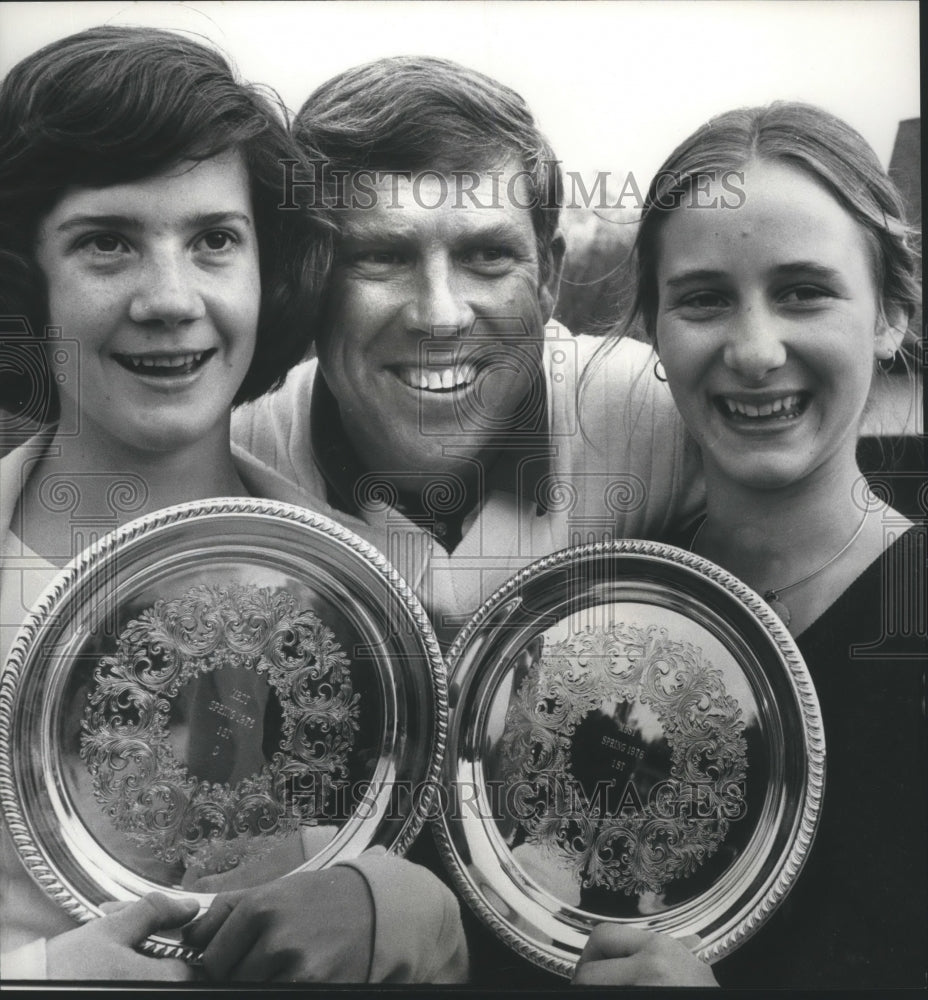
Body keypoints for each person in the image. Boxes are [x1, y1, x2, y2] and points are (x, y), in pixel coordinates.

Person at [0, 26, 466, 984]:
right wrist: (42, 977)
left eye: (214, 240)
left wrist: (413, 913)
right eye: (106, 244)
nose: (170, 298)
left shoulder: (383, 608)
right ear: (23, 280)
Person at [572, 102, 925, 988]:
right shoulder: (596, 617)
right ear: (654, 327)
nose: (755, 350)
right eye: (703, 299)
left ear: (890, 317)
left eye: (804, 290)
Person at [231, 56, 703, 648]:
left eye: (486, 256)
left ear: (549, 275)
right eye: (381, 257)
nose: (440, 315)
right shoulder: (234, 462)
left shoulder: (655, 415)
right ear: (310, 277)